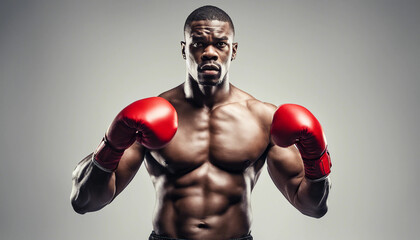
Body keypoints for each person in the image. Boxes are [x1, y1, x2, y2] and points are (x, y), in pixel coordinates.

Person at [70, 5, 332, 240]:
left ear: (234, 50)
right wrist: (111, 144)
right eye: (198, 44)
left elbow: (312, 207)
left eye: (220, 44)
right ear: (184, 49)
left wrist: (317, 159)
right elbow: (84, 202)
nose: (210, 53)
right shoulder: (148, 116)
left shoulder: (263, 119)